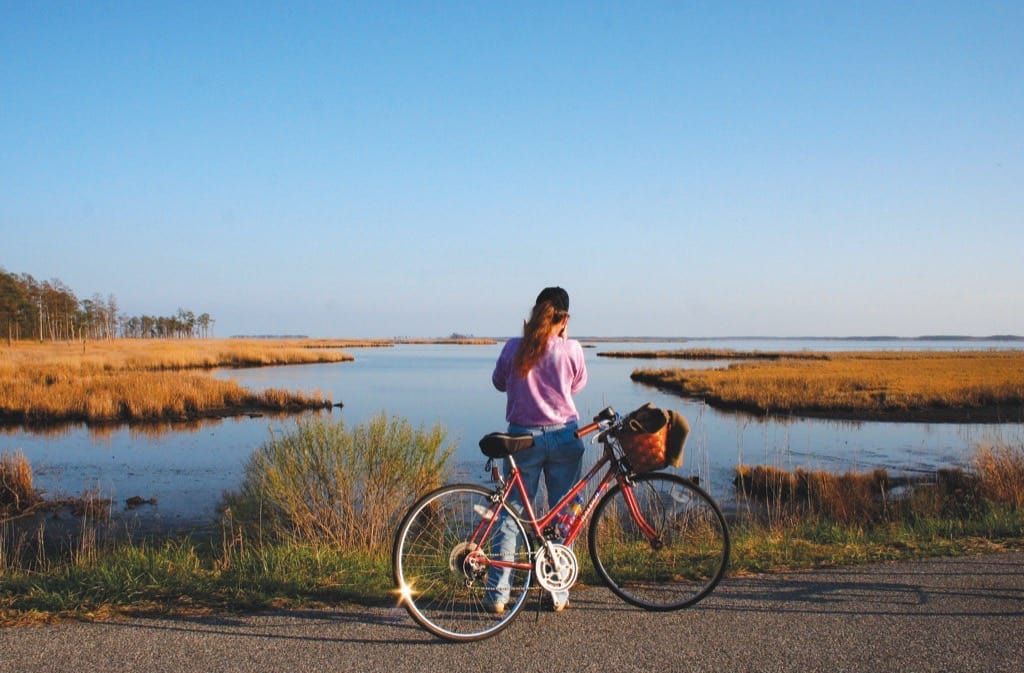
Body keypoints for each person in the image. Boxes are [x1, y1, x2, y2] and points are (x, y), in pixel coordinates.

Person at [484, 286, 588, 614]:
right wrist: (561, 338)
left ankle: (499, 595)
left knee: (510, 515)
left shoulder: (515, 347)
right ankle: (556, 593)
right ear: (565, 317)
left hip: (521, 439)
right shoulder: (571, 348)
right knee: (562, 514)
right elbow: (577, 385)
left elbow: (499, 383)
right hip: (563, 438)